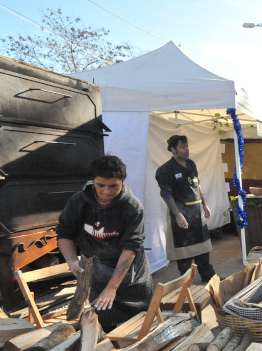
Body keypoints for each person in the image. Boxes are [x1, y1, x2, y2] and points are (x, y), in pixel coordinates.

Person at [57, 155, 153, 332]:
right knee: (103, 318)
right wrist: (71, 260)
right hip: (98, 268)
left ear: (122, 183)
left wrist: (112, 288)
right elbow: (64, 233)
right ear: (93, 181)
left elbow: (130, 247)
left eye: (113, 186)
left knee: (138, 322)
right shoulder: (78, 202)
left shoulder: (132, 206)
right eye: (101, 185)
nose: (106, 191)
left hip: (130, 273)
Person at [155, 135, 217, 282]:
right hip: (180, 213)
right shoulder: (165, 170)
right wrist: (177, 214)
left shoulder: (191, 164)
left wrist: (204, 203)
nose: (186, 149)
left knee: (203, 248)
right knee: (184, 252)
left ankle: (208, 277)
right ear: (173, 149)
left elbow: (197, 184)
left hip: (196, 213)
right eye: (182, 147)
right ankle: (185, 281)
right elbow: (166, 194)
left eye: (187, 146)